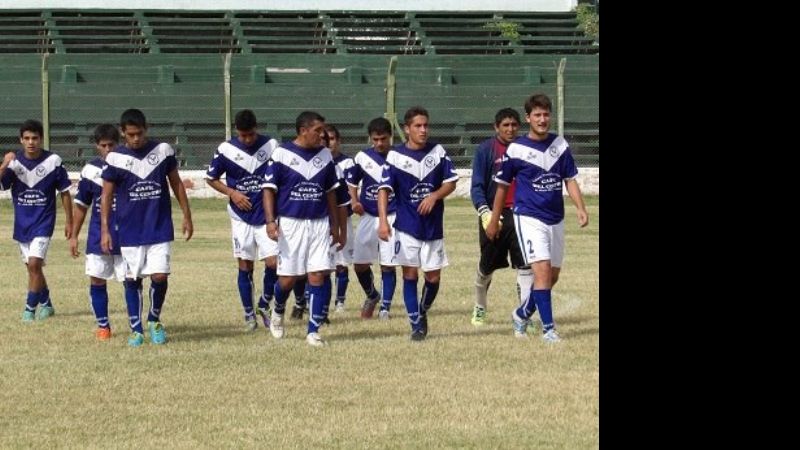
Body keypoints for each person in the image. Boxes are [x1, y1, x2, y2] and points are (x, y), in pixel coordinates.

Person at [485, 93, 589, 343]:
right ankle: (549, 330)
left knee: (552, 276)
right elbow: (501, 186)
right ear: (528, 118)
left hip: (556, 217)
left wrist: (580, 207)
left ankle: (521, 314)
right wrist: (494, 219)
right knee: (541, 273)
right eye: (537, 115)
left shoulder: (559, 145)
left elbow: (570, 179)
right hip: (529, 218)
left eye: (546, 115)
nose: (542, 120)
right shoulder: (517, 149)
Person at [100, 108, 194, 347]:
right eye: (130, 134)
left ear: (146, 129)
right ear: (123, 133)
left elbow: (176, 183)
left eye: (139, 133)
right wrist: (105, 230)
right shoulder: (115, 158)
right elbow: (106, 196)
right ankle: (136, 329)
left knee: (160, 275)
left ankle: (153, 319)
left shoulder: (162, 151)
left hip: (159, 226)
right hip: (130, 230)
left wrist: (186, 215)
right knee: (132, 280)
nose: (135, 139)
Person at [262, 111, 344, 347]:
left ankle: (313, 331)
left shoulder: (325, 156)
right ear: (303, 130)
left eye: (323, 130)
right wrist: (270, 221)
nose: (322, 135)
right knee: (287, 280)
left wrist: (335, 225)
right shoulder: (282, 154)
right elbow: (268, 189)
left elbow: (331, 193)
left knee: (317, 275)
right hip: (291, 223)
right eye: (318, 130)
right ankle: (277, 310)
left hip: (319, 223)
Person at [377, 106, 458, 341]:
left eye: (426, 125)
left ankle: (422, 310)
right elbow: (383, 191)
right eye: (418, 126)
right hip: (406, 227)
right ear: (407, 129)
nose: (423, 130)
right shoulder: (395, 156)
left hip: (433, 228)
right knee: (410, 275)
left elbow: (451, 182)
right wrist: (383, 222)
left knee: (433, 278)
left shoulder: (438, 152)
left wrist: (435, 196)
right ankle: (416, 325)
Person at [205, 109, 279, 332]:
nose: (247, 139)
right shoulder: (226, 149)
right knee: (244, 264)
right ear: (237, 131)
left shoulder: (272, 146)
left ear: (257, 128)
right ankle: (249, 315)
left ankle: (263, 304)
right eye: (243, 135)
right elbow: (211, 178)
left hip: (267, 215)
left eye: (251, 135)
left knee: (274, 263)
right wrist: (233, 193)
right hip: (241, 217)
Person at [0, 119, 73, 322]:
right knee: (33, 268)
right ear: (21, 140)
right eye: (27, 138)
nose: (31, 142)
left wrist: (70, 221)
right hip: (22, 225)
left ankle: (29, 310)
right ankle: (47, 304)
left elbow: (65, 192)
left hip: (43, 222)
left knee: (34, 265)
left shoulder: (53, 161)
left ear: (41, 139)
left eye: (35, 138)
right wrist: (5, 163)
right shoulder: (14, 164)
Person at [469, 108, 533, 327]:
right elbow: (476, 186)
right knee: (487, 267)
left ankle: (525, 314)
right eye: (505, 125)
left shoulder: (526, 149)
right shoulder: (486, 150)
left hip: (522, 215)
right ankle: (480, 306)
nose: (510, 129)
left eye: (514, 125)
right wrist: (486, 214)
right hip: (495, 215)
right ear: (496, 127)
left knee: (526, 266)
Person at [69, 124, 125, 340]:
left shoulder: (128, 165)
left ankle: (135, 323)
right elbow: (82, 205)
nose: (108, 149)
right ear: (97, 146)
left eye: (112, 145)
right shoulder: (90, 171)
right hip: (97, 235)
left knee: (131, 281)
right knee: (97, 279)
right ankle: (103, 326)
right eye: (104, 145)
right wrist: (74, 236)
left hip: (127, 235)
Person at [345, 117, 398, 320]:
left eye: (383, 139)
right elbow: (351, 180)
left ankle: (385, 307)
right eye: (375, 139)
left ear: (390, 137)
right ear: (370, 138)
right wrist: (354, 200)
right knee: (359, 264)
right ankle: (372, 294)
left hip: (392, 215)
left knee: (388, 263)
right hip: (367, 215)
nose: (379, 143)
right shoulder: (362, 157)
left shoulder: (399, 156)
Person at [325, 124, 354, 313]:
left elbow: (351, 189)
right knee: (322, 264)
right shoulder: (318, 163)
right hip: (323, 221)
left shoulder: (347, 163)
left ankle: (340, 302)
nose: (330, 143)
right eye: (326, 139)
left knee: (342, 262)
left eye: (333, 139)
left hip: (344, 218)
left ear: (339, 141)